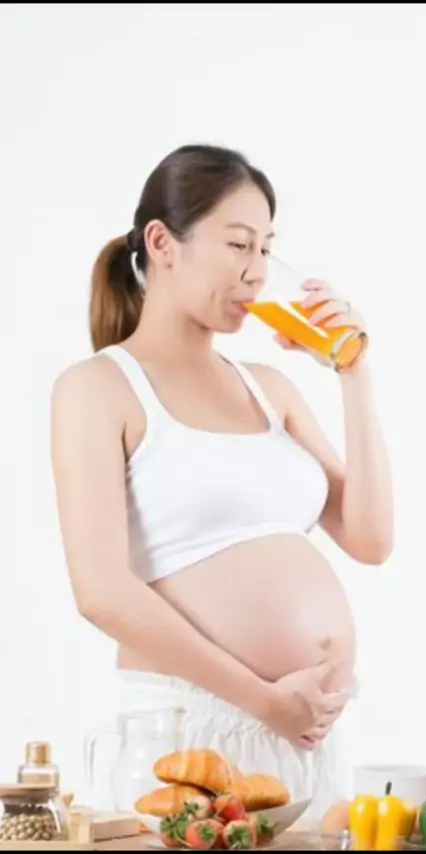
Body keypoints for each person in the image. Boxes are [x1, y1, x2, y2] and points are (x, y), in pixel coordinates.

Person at [51, 144, 394, 818]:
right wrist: (264, 701)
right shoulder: (98, 388)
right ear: (162, 243)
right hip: (189, 736)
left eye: (267, 248)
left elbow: (372, 539)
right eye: (239, 245)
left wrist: (354, 373)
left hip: (305, 737)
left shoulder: (268, 389)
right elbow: (100, 592)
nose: (258, 271)